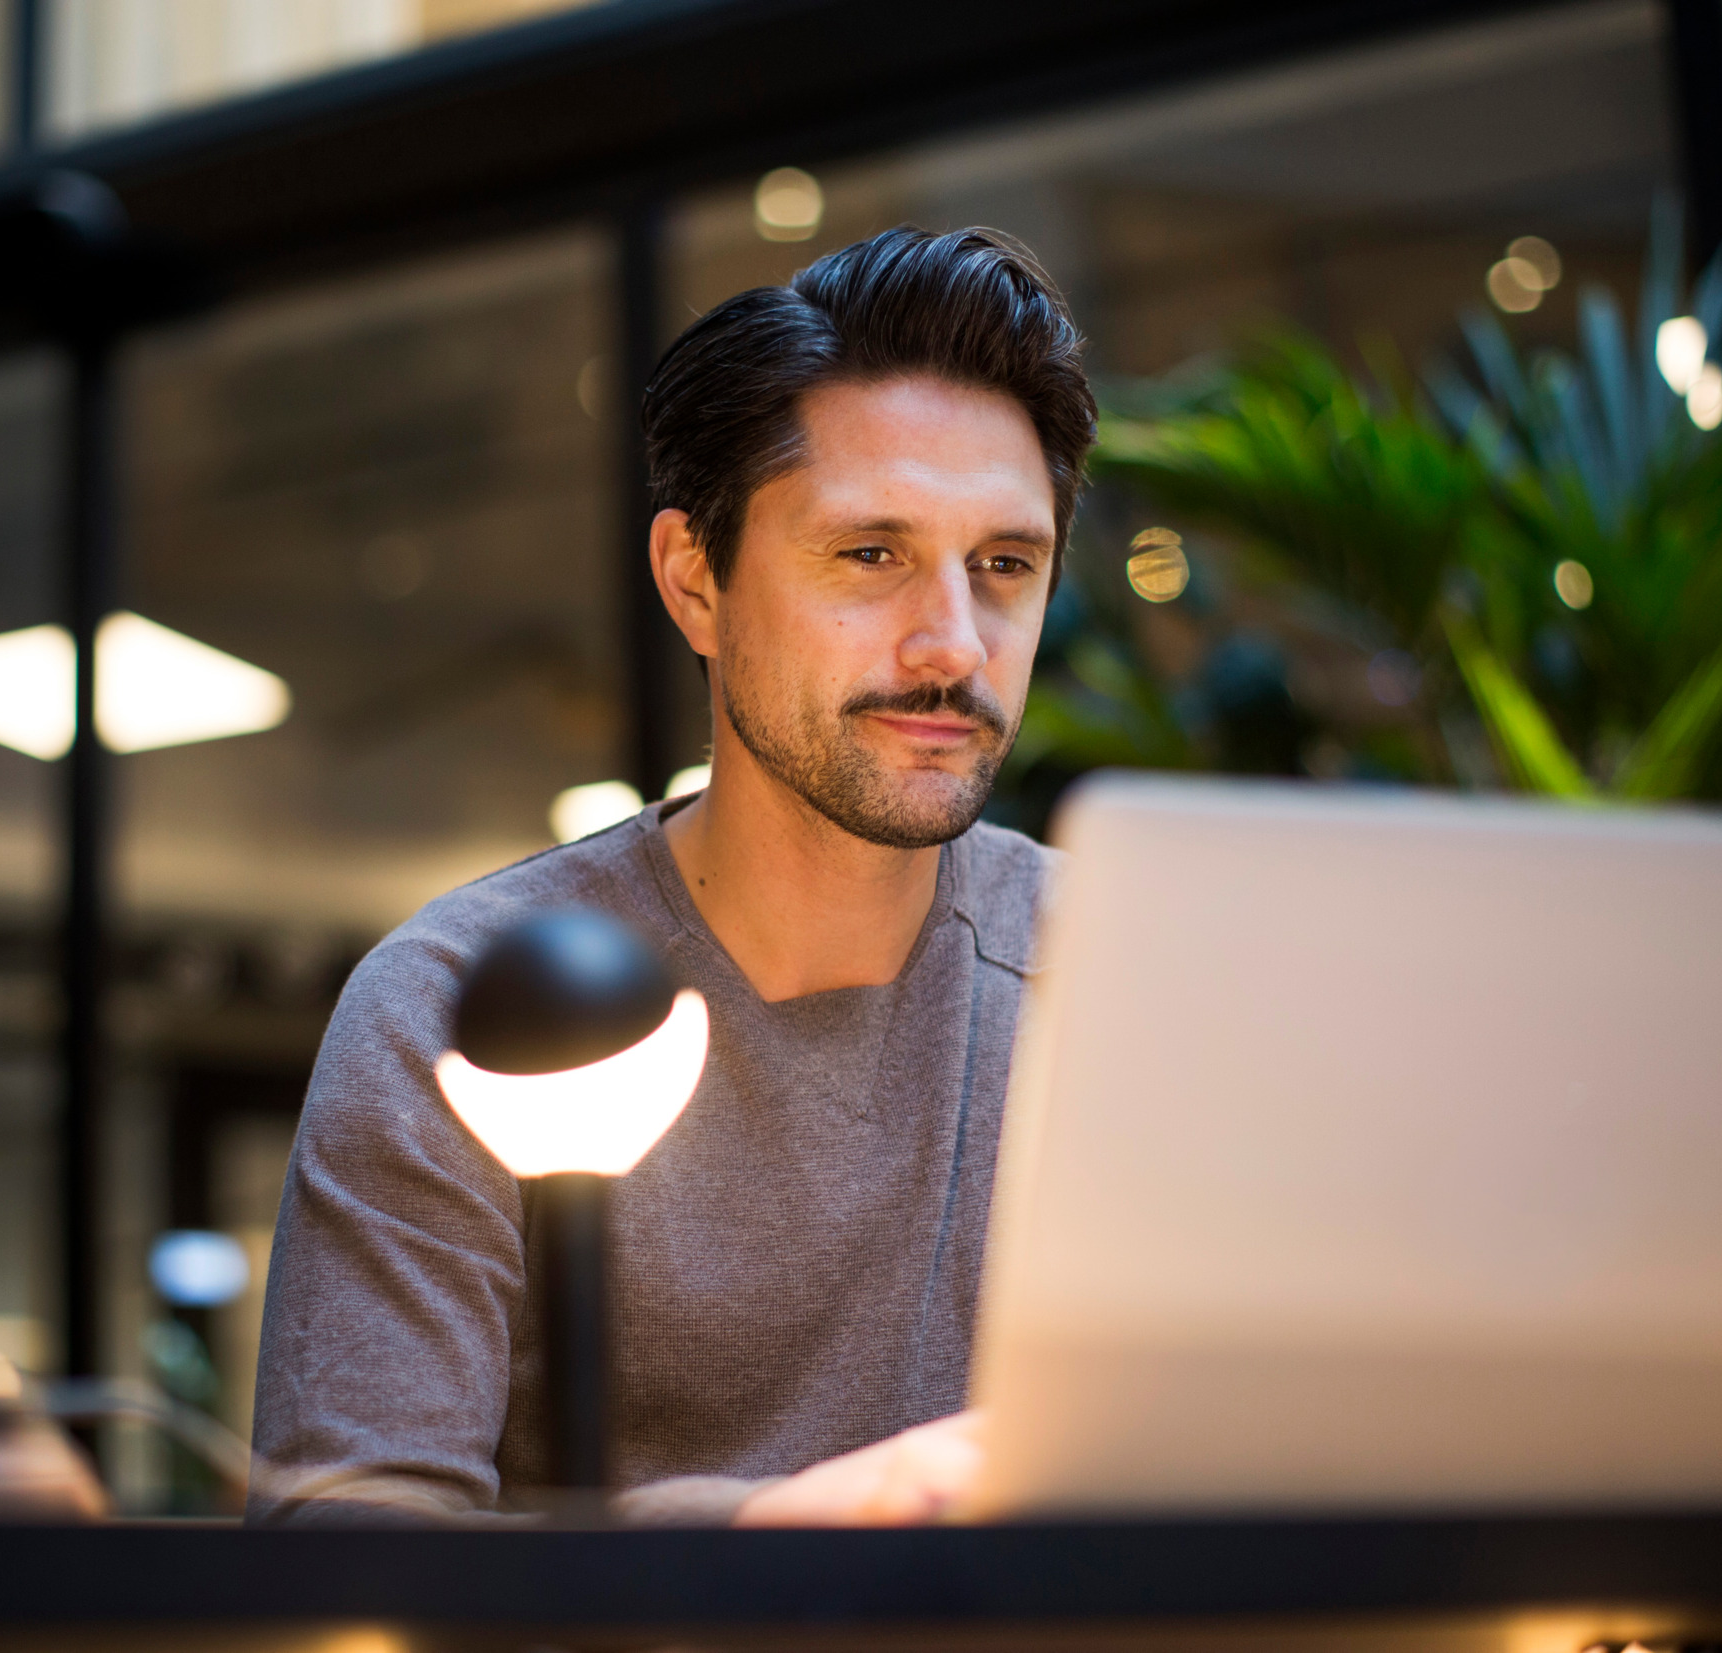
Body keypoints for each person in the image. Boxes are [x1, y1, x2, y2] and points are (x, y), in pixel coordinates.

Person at [249, 225, 1094, 1527]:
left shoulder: (1119, 979)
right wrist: (762, 1538)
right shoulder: (458, 1006)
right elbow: (354, 1562)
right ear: (696, 582)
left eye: (1004, 565)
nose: (953, 645)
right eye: (869, 554)